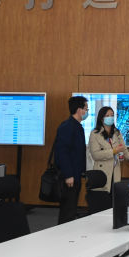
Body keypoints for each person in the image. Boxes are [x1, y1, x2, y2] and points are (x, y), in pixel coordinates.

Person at [87, 106, 129, 210]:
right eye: (107, 115)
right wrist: (113, 151)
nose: (110, 117)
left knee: (114, 203)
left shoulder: (117, 132)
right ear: (101, 118)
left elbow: (124, 151)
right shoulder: (95, 133)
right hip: (102, 173)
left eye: (112, 115)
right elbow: (95, 155)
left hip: (115, 172)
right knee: (103, 203)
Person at [53, 95, 88, 224]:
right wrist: (68, 175)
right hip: (69, 177)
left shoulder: (77, 126)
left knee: (71, 208)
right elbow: (62, 152)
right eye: (86, 109)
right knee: (67, 211)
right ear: (79, 110)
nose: (87, 112)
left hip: (75, 175)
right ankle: (62, 235)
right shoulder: (67, 126)